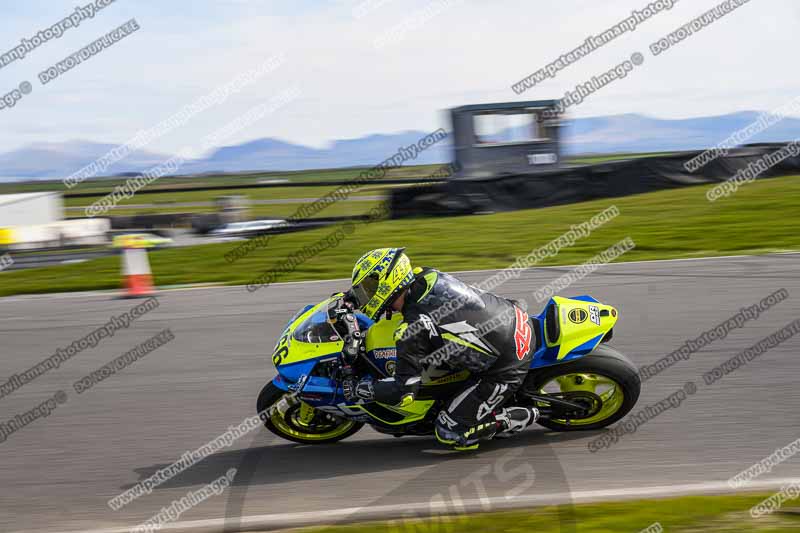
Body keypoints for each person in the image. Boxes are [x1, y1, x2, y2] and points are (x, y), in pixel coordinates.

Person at [342, 247, 538, 450]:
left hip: (507, 361)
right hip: (511, 316)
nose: (366, 294)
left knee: (449, 432)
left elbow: (404, 392)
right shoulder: (425, 275)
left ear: (388, 282)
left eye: (369, 287)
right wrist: (351, 298)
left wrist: (363, 389)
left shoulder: (411, 330)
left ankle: (515, 417)